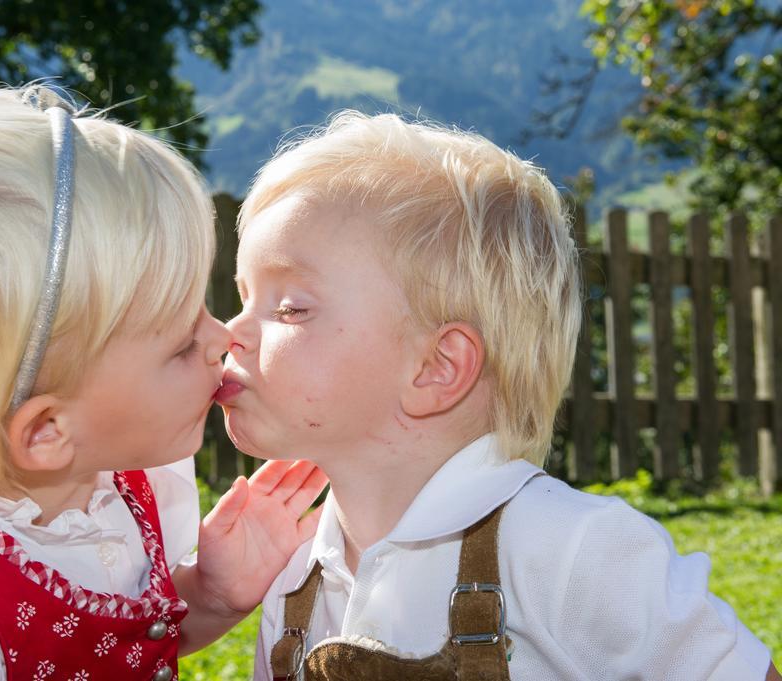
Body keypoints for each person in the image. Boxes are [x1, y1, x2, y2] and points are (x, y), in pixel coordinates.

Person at [0, 85, 326, 681]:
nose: (222, 336)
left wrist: (209, 594)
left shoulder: (106, 480)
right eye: (178, 344)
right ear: (46, 432)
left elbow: (120, 643)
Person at [216, 110, 780, 680]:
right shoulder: (295, 585)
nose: (228, 331)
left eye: (290, 308)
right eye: (242, 298)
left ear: (437, 367)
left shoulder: (573, 549)